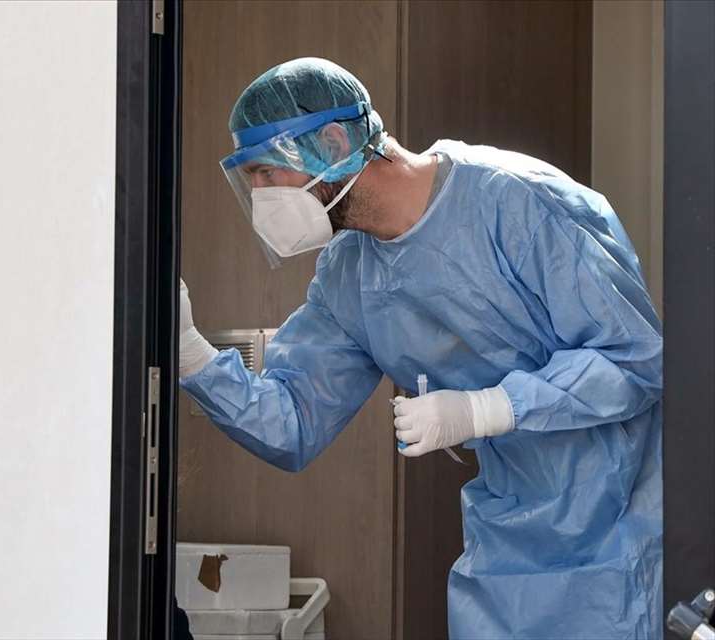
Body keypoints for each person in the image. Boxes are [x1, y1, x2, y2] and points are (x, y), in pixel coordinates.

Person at [179, 58, 662, 639]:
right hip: (507, 547)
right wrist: (190, 353)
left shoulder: (517, 201)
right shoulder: (348, 275)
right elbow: (292, 425)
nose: (259, 198)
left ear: (333, 143)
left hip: (623, 526)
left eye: (264, 172)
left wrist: (484, 409)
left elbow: (635, 359)